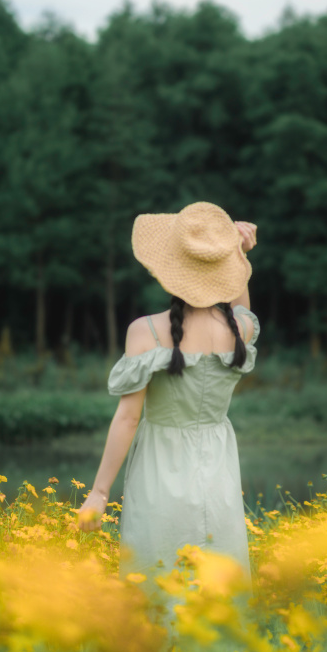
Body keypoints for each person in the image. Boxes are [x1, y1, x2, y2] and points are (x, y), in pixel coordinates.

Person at [77, 202, 259, 589]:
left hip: (160, 468)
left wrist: (99, 492)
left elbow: (127, 419)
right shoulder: (240, 330)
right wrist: (239, 256)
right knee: (217, 582)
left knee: (158, 578)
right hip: (219, 469)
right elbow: (244, 308)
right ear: (225, 272)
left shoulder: (146, 331)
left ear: (170, 270)